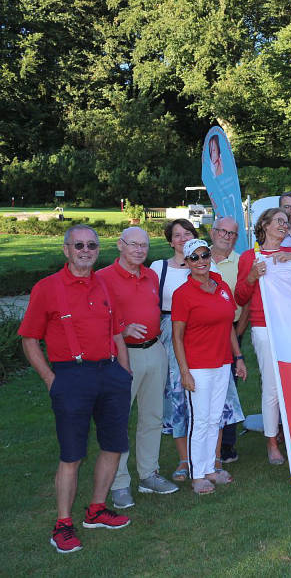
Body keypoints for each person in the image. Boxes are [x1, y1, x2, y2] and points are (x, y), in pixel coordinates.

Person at [20, 225, 132, 553]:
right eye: (79, 245)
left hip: (110, 374)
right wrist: (50, 379)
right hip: (71, 376)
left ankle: (96, 509)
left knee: (113, 445)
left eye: (92, 245)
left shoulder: (105, 284)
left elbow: (116, 332)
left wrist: (123, 371)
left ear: (99, 250)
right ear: (66, 250)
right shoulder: (48, 288)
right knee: (72, 454)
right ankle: (63, 523)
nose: (86, 250)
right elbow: (29, 339)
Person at [154, 219, 245, 482]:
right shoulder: (183, 294)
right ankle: (197, 474)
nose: (202, 261)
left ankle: (210, 469)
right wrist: (184, 371)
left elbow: (228, 325)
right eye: (194, 258)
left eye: (205, 255)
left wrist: (238, 357)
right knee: (200, 420)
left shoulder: (221, 287)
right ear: (188, 262)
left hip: (221, 363)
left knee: (215, 418)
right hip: (198, 366)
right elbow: (177, 338)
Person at [97, 227, 178, 510]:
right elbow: (93, 317)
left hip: (154, 350)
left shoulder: (151, 275)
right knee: (118, 421)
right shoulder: (102, 278)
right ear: (120, 245)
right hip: (122, 355)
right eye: (133, 244)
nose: (139, 250)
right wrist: (122, 328)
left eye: (144, 245)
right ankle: (119, 483)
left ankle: (148, 474)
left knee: (153, 416)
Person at [234, 208, 291, 465]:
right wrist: (251, 276)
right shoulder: (250, 256)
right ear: (265, 225)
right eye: (279, 222)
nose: (284, 226)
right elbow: (240, 296)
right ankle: (272, 442)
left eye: (287, 222)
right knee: (272, 386)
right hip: (263, 325)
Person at [209, 216, 246, 466]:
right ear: (213, 233)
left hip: (232, 330)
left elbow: (247, 301)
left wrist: (239, 334)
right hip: (201, 331)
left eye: (232, 233)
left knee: (228, 388)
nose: (226, 236)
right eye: (222, 231)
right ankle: (204, 442)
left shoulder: (242, 261)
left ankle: (227, 445)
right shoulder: (198, 256)